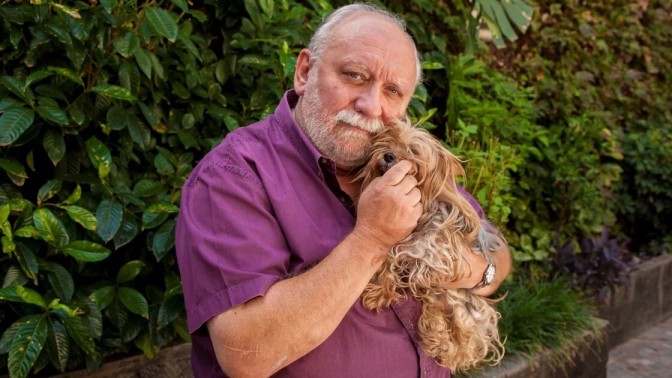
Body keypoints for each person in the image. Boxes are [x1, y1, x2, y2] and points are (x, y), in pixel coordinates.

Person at [175, 3, 512, 377]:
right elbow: (247, 355)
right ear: (305, 72)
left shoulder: (406, 161)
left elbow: (496, 252)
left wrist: (469, 270)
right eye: (354, 75)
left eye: (393, 91)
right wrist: (372, 239)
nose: (371, 106)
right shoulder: (232, 177)